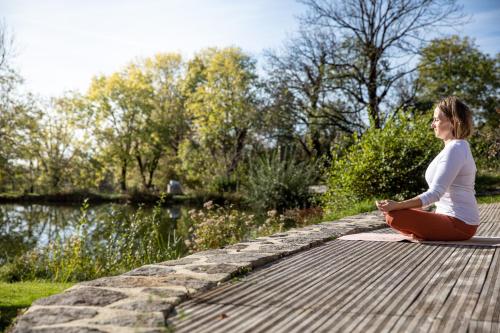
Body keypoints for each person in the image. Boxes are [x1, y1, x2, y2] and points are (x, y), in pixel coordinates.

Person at [376, 96, 479, 241]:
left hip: (460, 223)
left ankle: (423, 233)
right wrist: (403, 207)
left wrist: (398, 205)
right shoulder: (451, 148)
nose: (432, 125)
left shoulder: (457, 147)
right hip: (447, 218)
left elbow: (435, 194)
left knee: (394, 217)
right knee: (394, 214)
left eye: (437, 119)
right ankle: (424, 232)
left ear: (453, 122)